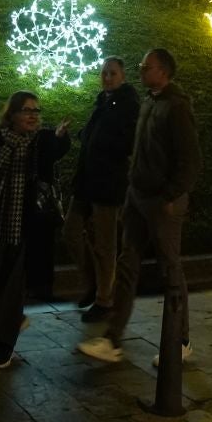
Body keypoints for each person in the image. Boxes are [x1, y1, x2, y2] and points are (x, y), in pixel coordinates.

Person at [80, 50, 202, 366]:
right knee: (127, 263)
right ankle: (113, 338)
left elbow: (190, 161)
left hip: (163, 201)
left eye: (146, 67)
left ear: (163, 71)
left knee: (170, 267)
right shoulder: (149, 101)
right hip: (137, 195)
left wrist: (171, 196)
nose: (141, 71)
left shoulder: (176, 107)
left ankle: (181, 340)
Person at [0, 93, 70, 369]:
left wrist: (60, 136)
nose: (33, 115)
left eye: (36, 110)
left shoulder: (42, 141)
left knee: (13, 287)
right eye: (26, 110)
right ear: (11, 115)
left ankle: (4, 345)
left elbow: (57, 149)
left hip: (29, 227)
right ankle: (12, 322)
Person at [64, 58, 139, 323]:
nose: (107, 77)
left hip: (108, 182)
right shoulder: (104, 100)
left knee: (105, 244)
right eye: (104, 73)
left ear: (123, 76)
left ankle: (105, 300)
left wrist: (102, 143)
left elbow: (128, 141)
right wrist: (84, 135)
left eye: (112, 73)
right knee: (71, 230)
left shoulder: (128, 103)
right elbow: (97, 131)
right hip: (86, 179)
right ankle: (94, 282)